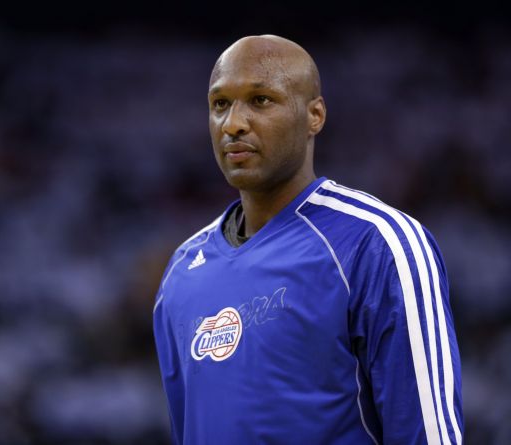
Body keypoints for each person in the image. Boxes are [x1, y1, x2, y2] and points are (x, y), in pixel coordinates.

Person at [152, 34, 463, 444]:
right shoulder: (182, 273)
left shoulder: (379, 243)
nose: (233, 124)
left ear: (314, 115)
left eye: (260, 100)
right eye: (220, 104)